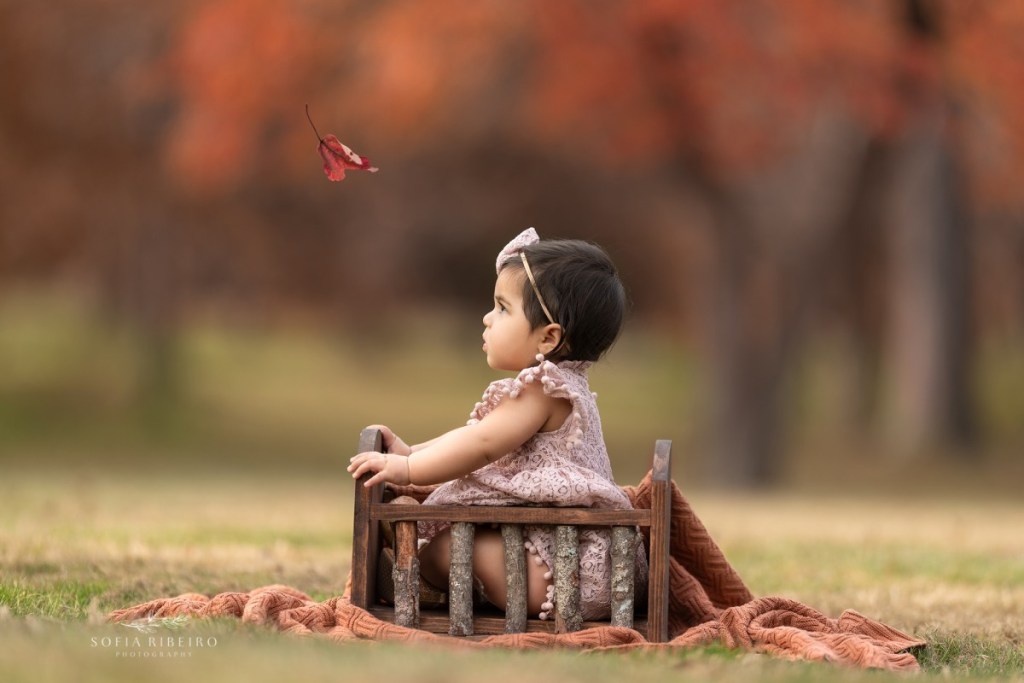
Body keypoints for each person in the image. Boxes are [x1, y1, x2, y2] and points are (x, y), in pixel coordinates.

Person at [347, 227, 645, 621]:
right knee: (468, 540)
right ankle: (424, 564)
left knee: (451, 545)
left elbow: (483, 444)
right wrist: (415, 450)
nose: (487, 318)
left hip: (567, 579)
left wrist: (407, 469)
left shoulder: (544, 389)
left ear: (548, 338)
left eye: (503, 308)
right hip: (571, 562)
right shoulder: (561, 386)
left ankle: (420, 575)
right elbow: (476, 436)